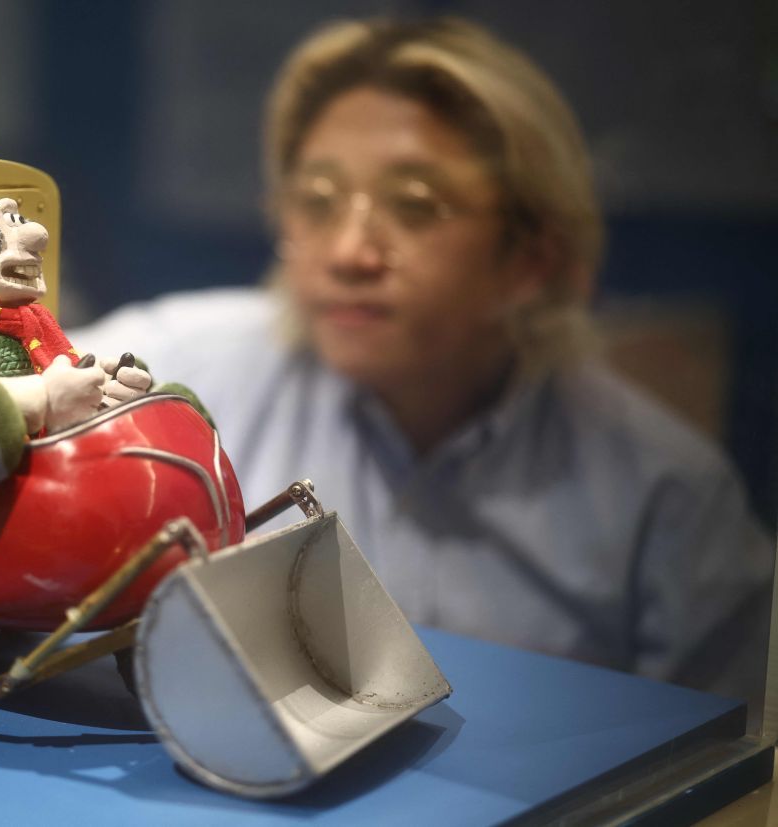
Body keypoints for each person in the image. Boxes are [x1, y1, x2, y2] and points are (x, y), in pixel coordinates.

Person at [69, 17, 773, 700]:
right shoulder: (179, 365)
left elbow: (720, 781)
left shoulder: (667, 498)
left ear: (531, 257)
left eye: (415, 205)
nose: (348, 252)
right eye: (316, 201)